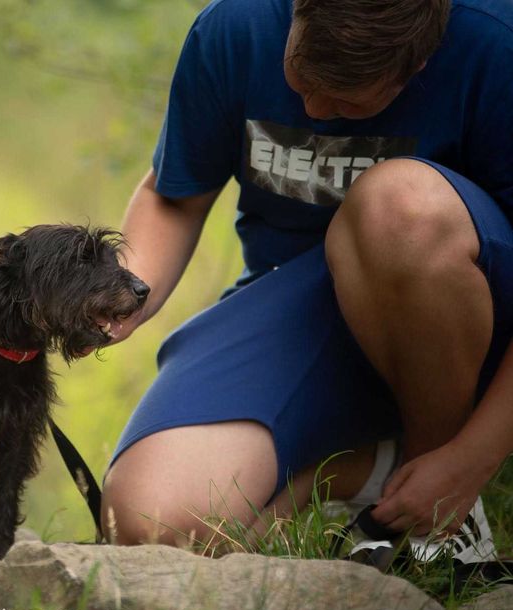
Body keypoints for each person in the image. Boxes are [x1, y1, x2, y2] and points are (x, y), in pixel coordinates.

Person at [100, 0, 513, 561]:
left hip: (462, 323)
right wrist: (120, 296)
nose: (314, 109)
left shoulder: (496, 42)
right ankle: (364, 470)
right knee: (149, 522)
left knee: (399, 209)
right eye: (299, 79)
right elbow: (173, 195)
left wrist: (473, 457)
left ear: (417, 67)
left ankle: (443, 518)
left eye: (347, 101)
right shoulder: (236, 26)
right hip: (296, 305)